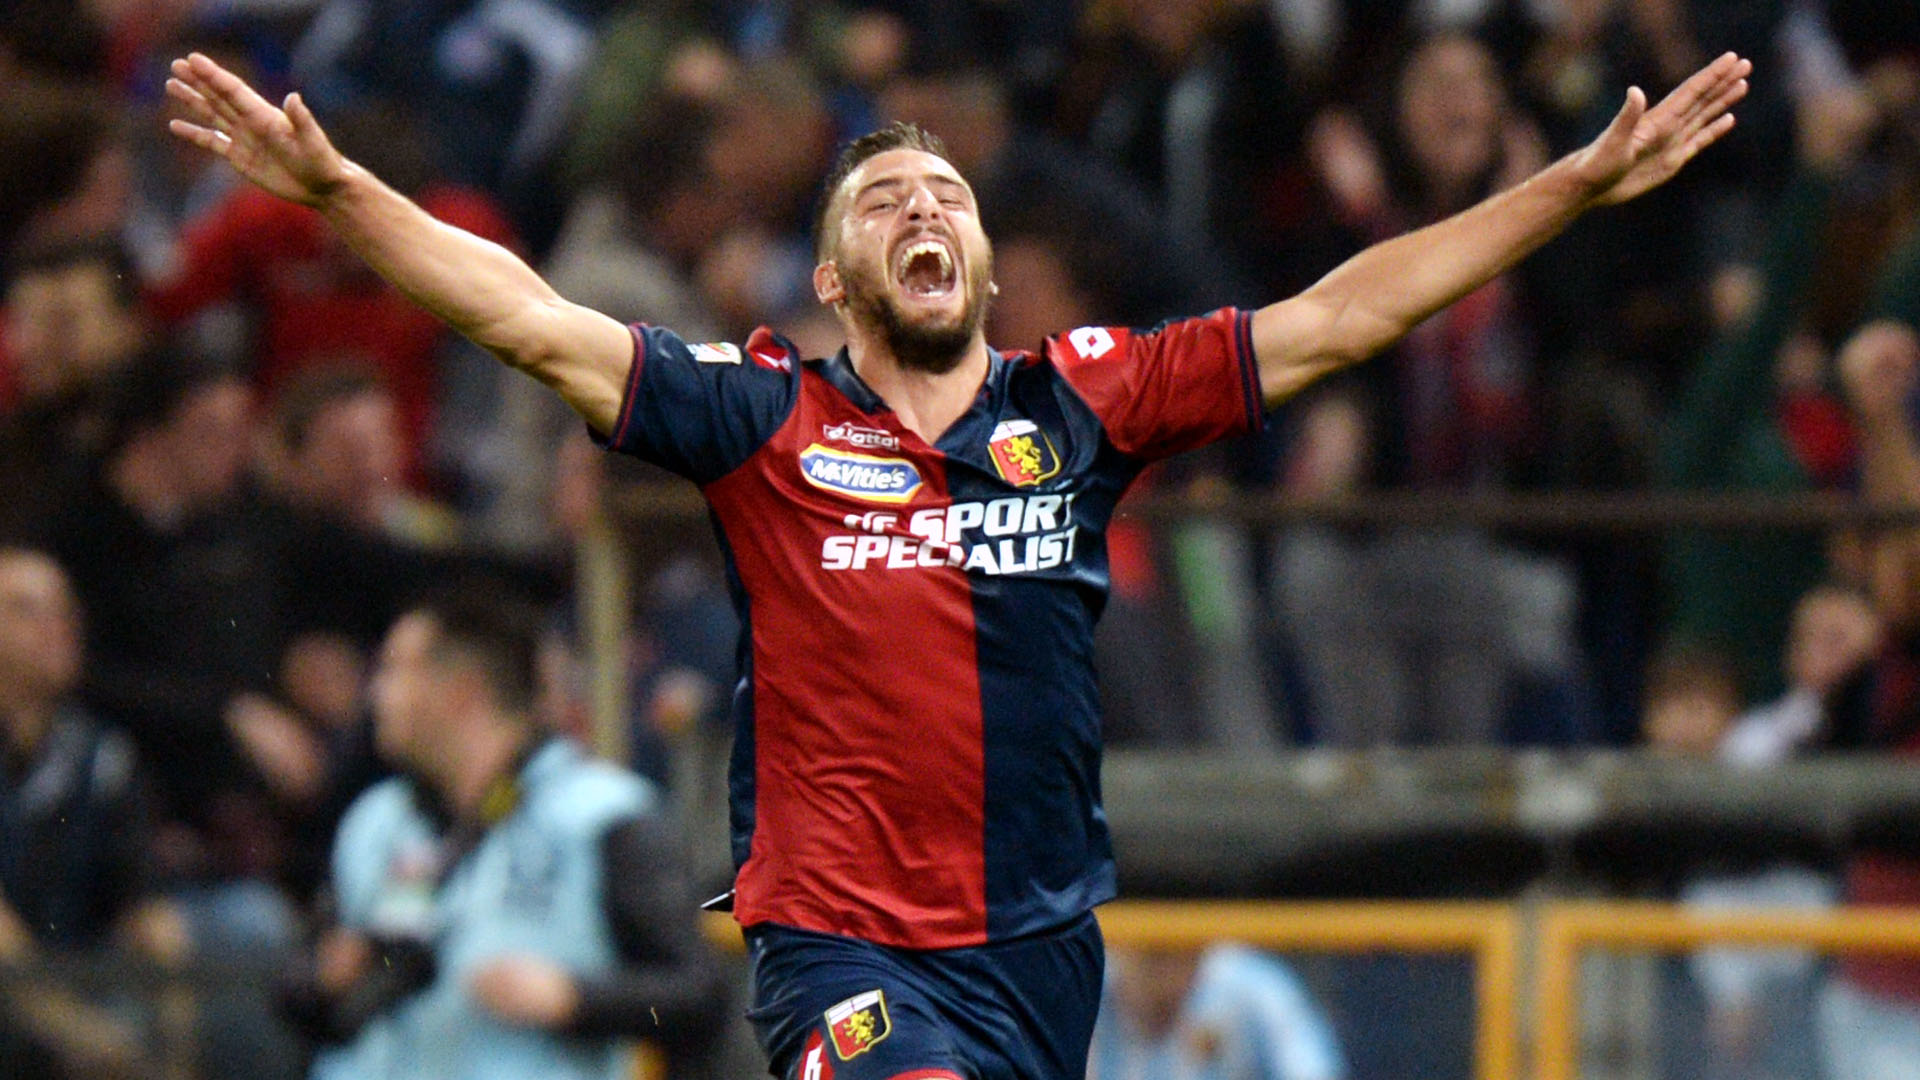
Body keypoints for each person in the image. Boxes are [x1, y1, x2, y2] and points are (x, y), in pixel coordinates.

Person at [163, 46, 1751, 1080]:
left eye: (948, 196)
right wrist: (340, 192)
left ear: (984, 260)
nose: (923, 208)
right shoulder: (761, 419)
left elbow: (1343, 316)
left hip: (1042, 954)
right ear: (842, 275)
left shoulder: (1084, 403)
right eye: (883, 202)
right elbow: (524, 315)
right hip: (843, 950)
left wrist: (1571, 188)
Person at [279, 592, 730, 1079]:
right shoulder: (380, 820)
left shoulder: (600, 815)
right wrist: (325, 978)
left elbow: (698, 996)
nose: (376, 693)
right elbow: (299, 994)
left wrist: (575, 1000)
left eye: (394, 670)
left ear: (462, 692)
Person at [1089, 944, 1344, 1080]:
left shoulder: (1254, 989)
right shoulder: (1077, 993)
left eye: (1179, 951)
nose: (1166, 969)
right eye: (1153, 954)